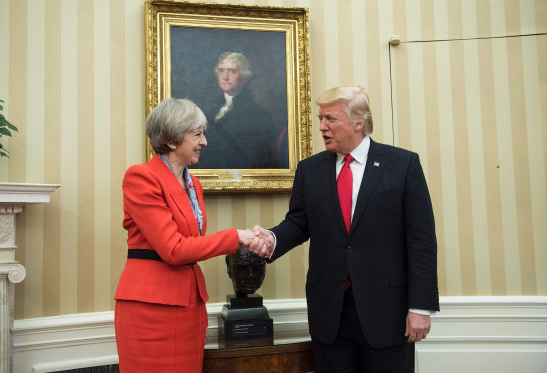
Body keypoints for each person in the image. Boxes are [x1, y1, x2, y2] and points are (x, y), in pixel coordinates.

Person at [250, 86, 439, 372]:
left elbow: (421, 241)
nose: (322, 126)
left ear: (359, 122)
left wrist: (420, 308)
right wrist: (272, 239)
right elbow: (299, 223)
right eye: (320, 119)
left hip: (387, 312)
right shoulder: (309, 170)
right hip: (330, 312)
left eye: (331, 119)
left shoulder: (403, 165)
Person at [114, 98, 266, 372]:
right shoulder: (141, 177)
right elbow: (174, 249)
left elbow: (193, 244)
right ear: (172, 139)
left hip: (188, 306)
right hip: (151, 310)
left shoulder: (193, 183)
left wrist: (200, 318)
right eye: (197, 134)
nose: (204, 142)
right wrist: (236, 237)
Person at [193, 51, 285, 169]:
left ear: (245, 78)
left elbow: (258, 158)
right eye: (221, 71)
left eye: (232, 71)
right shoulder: (211, 111)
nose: (225, 77)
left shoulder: (259, 115)